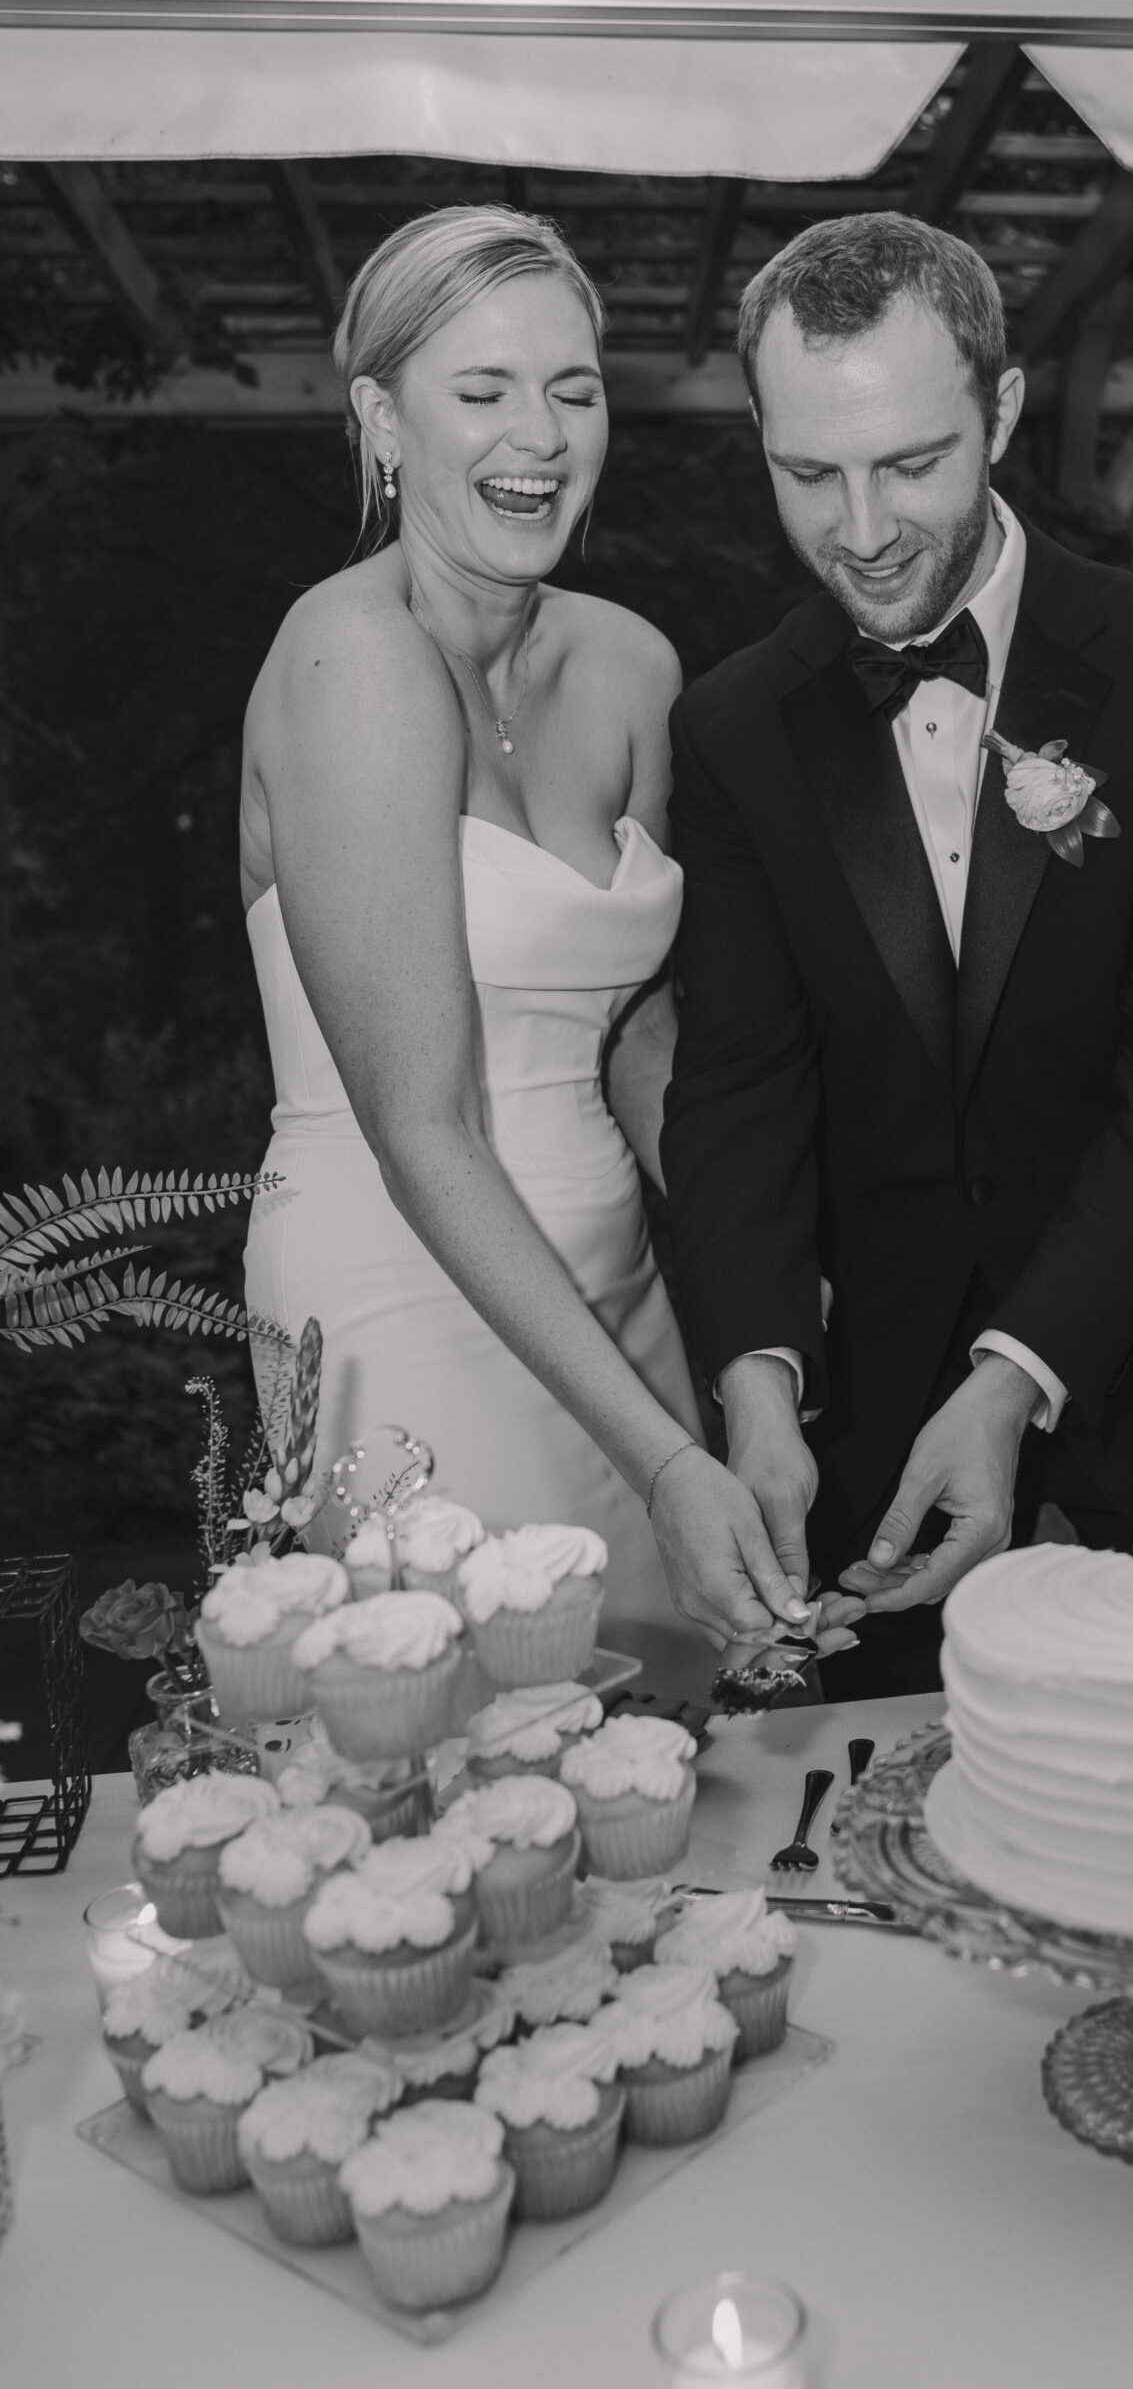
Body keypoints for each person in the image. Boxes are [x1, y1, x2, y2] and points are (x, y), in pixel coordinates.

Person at [661, 213, 1133, 1696]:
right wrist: (757, 1387)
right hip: (870, 1448)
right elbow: (736, 1089)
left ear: (1004, 414)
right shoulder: (731, 729)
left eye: (912, 462)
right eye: (806, 471)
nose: (860, 527)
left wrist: (1013, 1377)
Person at [239, 204, 814, 1697]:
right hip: (398, 1289)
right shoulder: (345, 660)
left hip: (615, 1285)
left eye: (573, 387)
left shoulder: (629, 666)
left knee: (665, 1761)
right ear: (382, 419)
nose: (540, 434)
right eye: (481, 390)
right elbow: (420, 1131)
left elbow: (636, 1038)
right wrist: (671, 1456)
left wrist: (773, 1300)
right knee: (468, 1762)